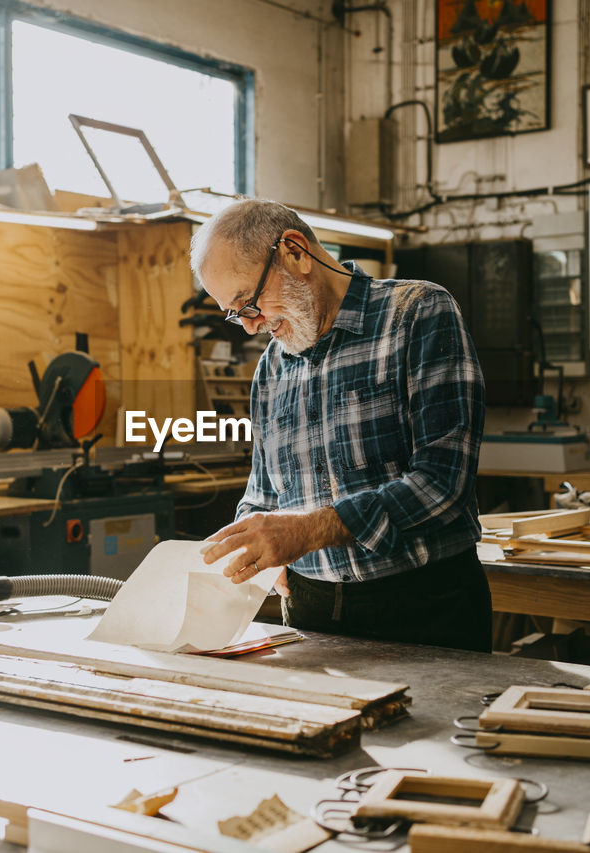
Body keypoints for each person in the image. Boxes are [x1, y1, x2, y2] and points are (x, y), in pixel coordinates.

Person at [191, 198, 491, 652]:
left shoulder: (418, 313)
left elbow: (443, 482)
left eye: (248, 303)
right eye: (236, 315)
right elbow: (263, 492)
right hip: (312, 610)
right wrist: (251, 540)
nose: (250, 328)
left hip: (423, 605)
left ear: (293, 252)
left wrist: (305, 532)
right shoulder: (273, 366)